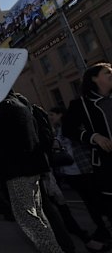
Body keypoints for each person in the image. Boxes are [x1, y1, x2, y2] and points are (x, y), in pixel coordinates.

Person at [0, 91, 63, 253]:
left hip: (19, 170)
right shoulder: (20, 104)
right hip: (31, 168)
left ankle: (52, 250)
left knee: (27, 217)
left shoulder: (8, 107)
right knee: (37, 214)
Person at [63, 62, 112, 249]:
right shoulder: (81, 104)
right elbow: (69, 129)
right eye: (106, 72)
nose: (111, 73)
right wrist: (94, 137)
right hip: (106, 165)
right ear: (94, 78)